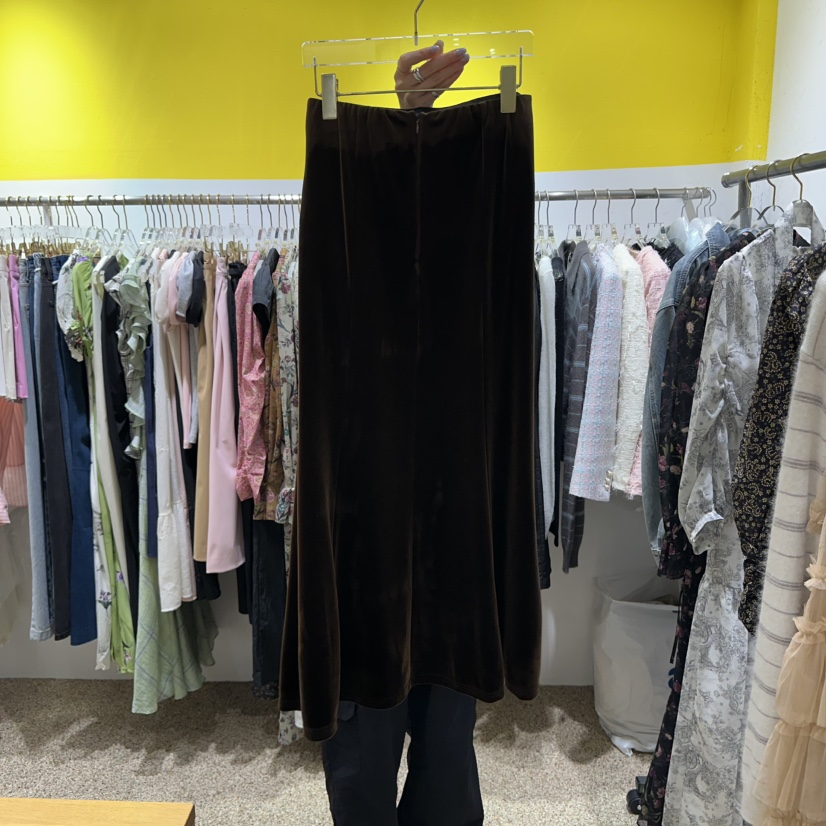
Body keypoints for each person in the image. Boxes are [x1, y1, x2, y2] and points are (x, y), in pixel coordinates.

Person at [319, 40, 482, 826]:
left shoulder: (477, 261)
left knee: (447, 742)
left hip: (450, 516)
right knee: (363, 742)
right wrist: (404, 123)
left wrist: (427, 129)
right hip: (362, 524)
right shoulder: (344, 253)